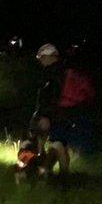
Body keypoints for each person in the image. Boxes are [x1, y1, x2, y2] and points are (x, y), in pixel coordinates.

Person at [33, 43, 96, 176]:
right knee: (61, 145)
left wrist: (44, 115)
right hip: (80, 112)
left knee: (57, 144)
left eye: (41, 58)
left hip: (62, 113)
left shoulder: (52, 72)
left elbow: (50, 97)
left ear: (49, 57)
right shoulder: (69, 70)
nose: (41, 62)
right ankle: (60, 175)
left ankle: (51, 174)